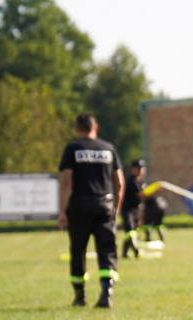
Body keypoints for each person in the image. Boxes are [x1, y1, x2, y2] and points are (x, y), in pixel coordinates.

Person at [58, 114, 125, 308]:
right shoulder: (108, 148)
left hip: (80, 206)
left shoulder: (73, 148)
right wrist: (117, 210)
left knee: (78, 250)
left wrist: (62, 211)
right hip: (105, 205)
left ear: (77, 129)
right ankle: (107, 292)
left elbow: (66, 181)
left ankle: (80, 295)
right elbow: (119, 183)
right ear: (96, 128)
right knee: (107, 250)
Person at [121, 159, 146, 258]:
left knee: (133, 231)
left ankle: (124, 253)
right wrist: (154, 191)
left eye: (142, 168)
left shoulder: (140, 181)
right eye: (138, 168)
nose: (140, 171)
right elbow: (141, 195)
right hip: (128, 210)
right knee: (130, 232)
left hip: (136, 210)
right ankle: (137, 251)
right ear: (133, 169)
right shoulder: (132, 181)